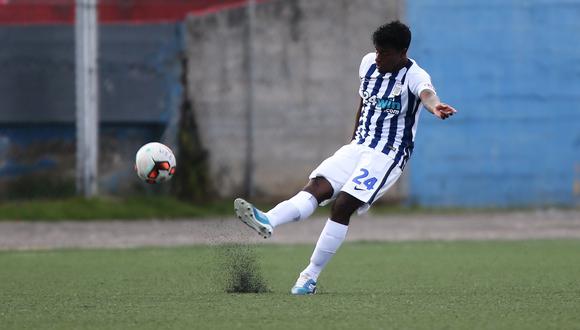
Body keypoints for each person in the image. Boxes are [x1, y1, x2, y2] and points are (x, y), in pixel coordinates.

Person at [234, 20, 457, 295]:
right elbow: (363, 104)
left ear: (402, 53)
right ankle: (268, 219)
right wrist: (353, 141)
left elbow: (427, 94)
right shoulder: (367, 64)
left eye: (384, 53)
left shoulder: (414, 75)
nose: (377, 58)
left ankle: (309, 277)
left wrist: (435, 107)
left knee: (342, 205)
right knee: (316, 187)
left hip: (386, 154)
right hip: (358, 147)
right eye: (376, 51)